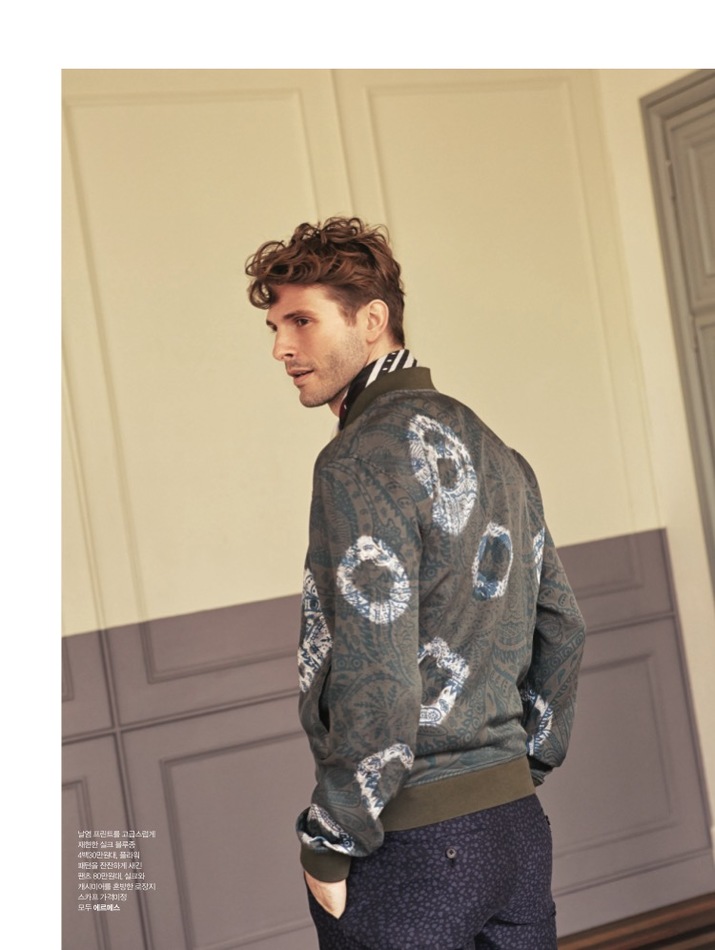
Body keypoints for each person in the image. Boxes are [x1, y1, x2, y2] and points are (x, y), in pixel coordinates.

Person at [245, 217, 586, 950]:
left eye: (301, 321)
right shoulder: (496, 450)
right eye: (275, 327)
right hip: (516, 831)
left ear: (371, 320)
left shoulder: (356, 460)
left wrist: (329, 840)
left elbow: (379, 677)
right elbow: (562, 627)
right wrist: (517, 769)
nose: (280, 347)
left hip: (414, 845)